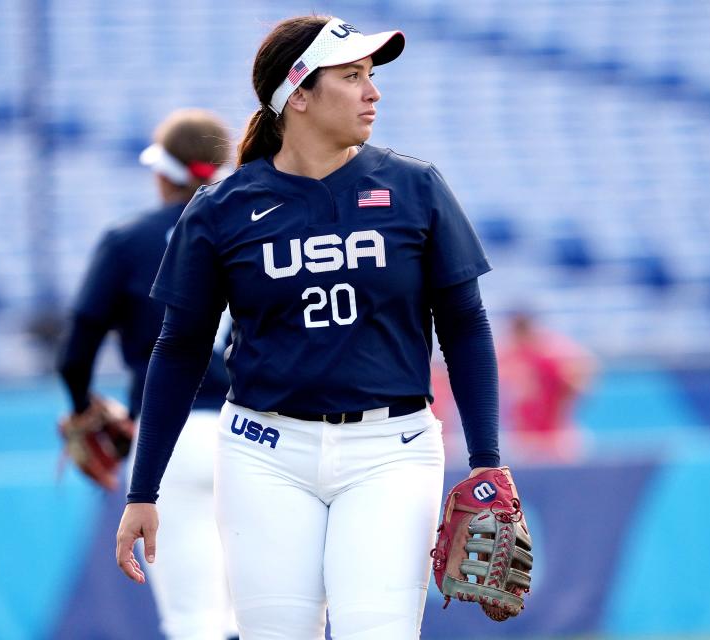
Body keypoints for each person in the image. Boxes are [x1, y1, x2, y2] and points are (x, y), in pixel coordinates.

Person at [116, 16, 505, 639]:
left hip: (391, 451)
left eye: (370, 76)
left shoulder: (415, 186)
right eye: (352, 77)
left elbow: (466, 324)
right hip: (264, 454)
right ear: (297, 93)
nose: (372, 92)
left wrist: (486, 459)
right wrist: (145, 490)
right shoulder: (220, 210)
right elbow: (179, 349)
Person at [56, 108, 238, 640]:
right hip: (260, 435)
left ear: (163, 171)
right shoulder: (257, 231)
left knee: (194, 623)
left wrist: (81, 405)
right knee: (266, 618)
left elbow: (74, 351)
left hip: (168, 440)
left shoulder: (127, 239)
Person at [498, 310, 597, 463]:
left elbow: (581, 376)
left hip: (553, 436)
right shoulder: (511, 355)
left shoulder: (549, 356)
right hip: (524, 437)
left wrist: (563, 409)